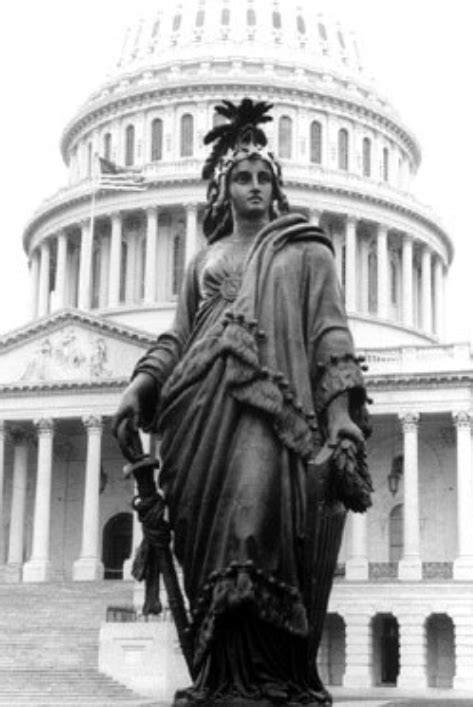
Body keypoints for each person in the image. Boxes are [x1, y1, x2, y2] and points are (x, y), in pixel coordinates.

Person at [112, 99, 372, 707]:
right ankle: (221, 678)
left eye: (263, 178)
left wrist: (340, 419)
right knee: (211, 545)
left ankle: (272, 678)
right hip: (198, 416)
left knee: (253, 526)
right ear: (222, 190)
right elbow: (178, 336)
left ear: (277, 190)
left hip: (269, 409)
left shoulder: (306, 250)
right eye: (242, 178)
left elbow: (330, 333)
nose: (254, 187)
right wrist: (141, 384)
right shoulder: (204, 259)